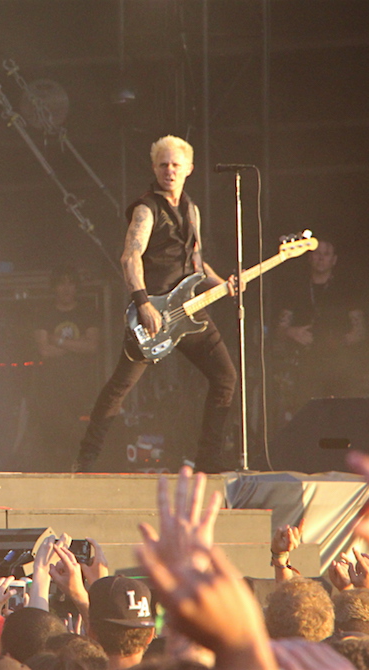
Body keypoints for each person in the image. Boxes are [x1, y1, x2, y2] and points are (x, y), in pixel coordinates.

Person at [74, 135, 237, 473]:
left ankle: (208, 460)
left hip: (189, 310)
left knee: (225, 378)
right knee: (121, 385)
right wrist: (144, 303)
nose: (169, 171)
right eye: (163, 165)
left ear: (189, 169)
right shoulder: (146, 209)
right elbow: (130, 257)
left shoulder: (192, 210)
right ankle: (87, 458)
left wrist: (222, 284)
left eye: (176, 165)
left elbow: (196, 261)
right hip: (154, 312)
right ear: (154, 168)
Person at [273, 239, 365, 416]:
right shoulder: (296, 288)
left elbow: (360, 332)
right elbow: (279, 330)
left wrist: (338, 341)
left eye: (326, 254)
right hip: (306, 365)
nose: (321, 258)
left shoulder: (345, 289)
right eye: (317, 254)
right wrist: (291, 332)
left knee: (342, 414)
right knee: (308, 415)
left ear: (334, 260)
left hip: (339, 366)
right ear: (309, 258)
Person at [31, 265, 101, 471]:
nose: (66, 288)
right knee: (52, 434)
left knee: (79, 433)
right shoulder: (44, 313)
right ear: (54, 287)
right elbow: (44, 350)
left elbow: (92, 346)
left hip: (81, 385)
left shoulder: (87, 312)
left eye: (70, 283)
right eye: (61, 283)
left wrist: (59, 341)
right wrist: (76, 345)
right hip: (50, 387)